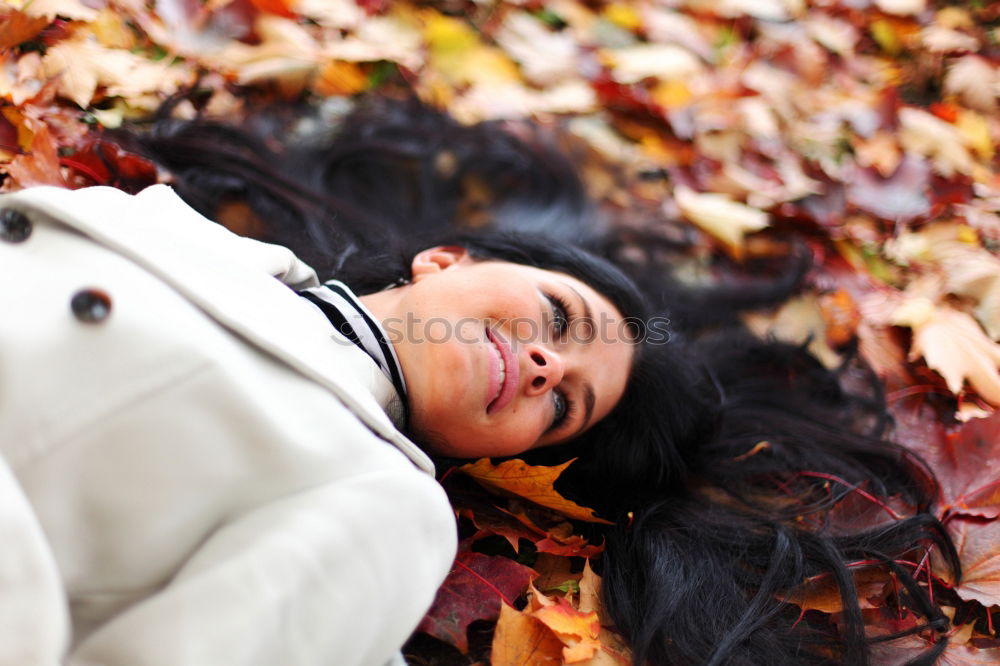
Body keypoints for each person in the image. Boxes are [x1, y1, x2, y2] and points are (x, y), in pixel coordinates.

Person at [0, 97, 958, 666]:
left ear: (500, 460)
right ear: (444, 258)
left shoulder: (383, 506)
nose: (547, 364)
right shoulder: (176, 229)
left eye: (562, 405)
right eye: (559, 321)